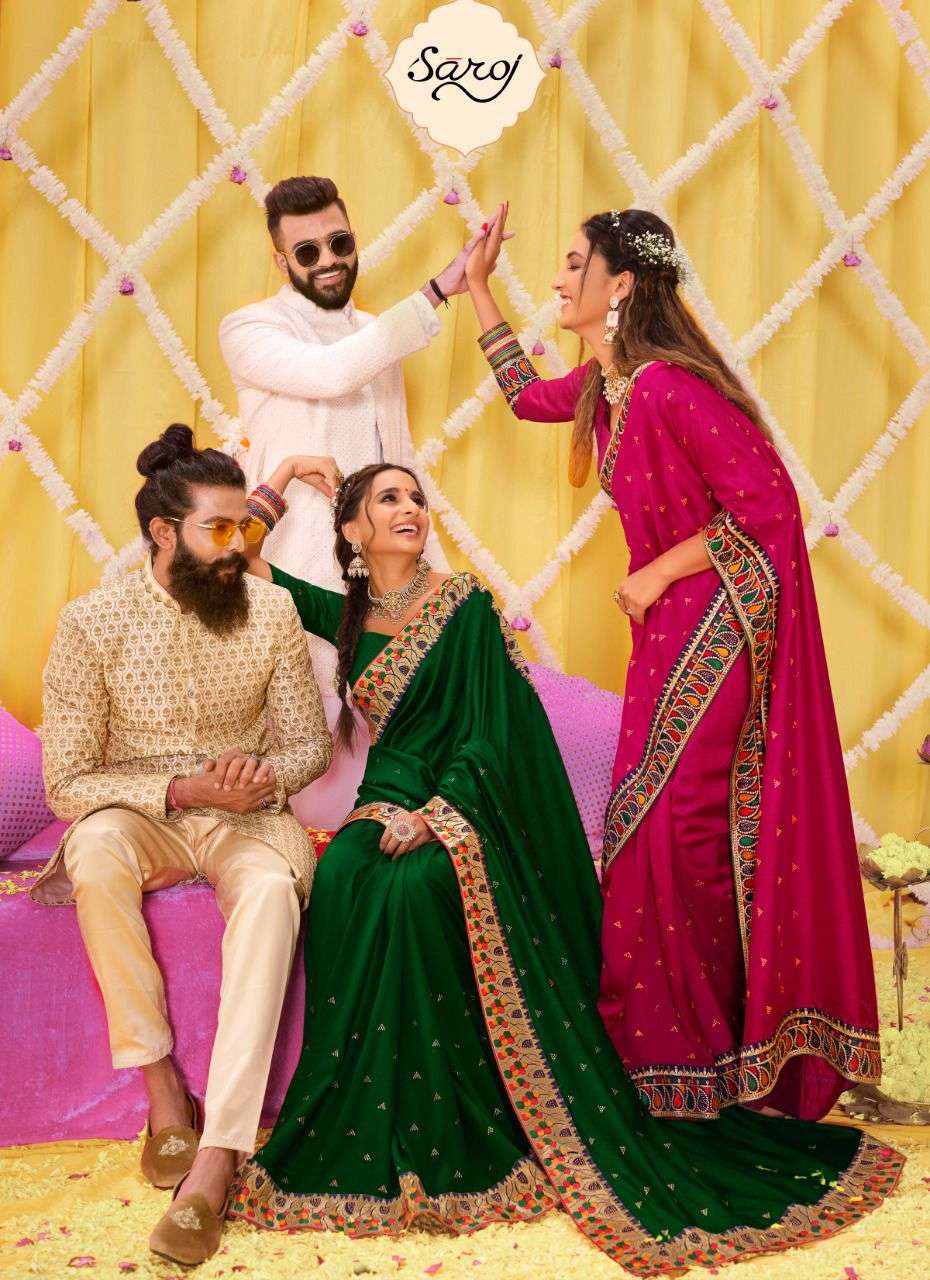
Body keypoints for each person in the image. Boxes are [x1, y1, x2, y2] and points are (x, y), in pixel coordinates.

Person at [227, 457, 901, 1273]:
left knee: (421, 884)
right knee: (345, 876)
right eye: (388, 500)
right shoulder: (342, 614)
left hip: (462, 797)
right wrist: (286, 476)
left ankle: (457, 1117)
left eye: (417, 498)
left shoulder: (463, 604)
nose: (411, 510)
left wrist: (439, 817)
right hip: (384, 794)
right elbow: (236, 556)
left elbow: (491, 733)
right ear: (352, 530)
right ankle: (375, 1113)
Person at [464, 205, 881, 1122]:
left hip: (716, 622)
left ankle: (723, 1055)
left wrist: (657, 569)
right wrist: (478, 287)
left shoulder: (667, 388)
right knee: (649, 831)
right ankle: (684, 1056)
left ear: (620, 284)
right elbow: (525, 396)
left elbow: (768, 507)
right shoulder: (607, 387)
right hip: (664, 631)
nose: (558, 278)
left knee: (677, 827)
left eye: (574, 262)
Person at [31, 425, 334, 1266]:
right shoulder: (92, 622)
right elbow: (67, 782)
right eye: (219, 528)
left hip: (247, 818)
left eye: (244, 526)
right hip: (144, 811)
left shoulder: (271, 610)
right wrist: (181, 791)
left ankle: (219, 1153)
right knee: (94, 851)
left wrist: (261, 776)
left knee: (270, 892)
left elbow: (308, 747)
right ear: (164, 533)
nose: (239, 545)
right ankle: (161, 1084)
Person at [219, 176, 501, 826]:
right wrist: (438, 290)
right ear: (281, 261)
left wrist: (425, 561)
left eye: (338, 242)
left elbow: (394, 453)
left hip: (380, 570)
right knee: (305, 747)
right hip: (292, 567)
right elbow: (332, 372)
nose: (328, 260)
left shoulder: (378, 330)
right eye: (307, 251)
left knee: (398, 736)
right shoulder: (251, 328)